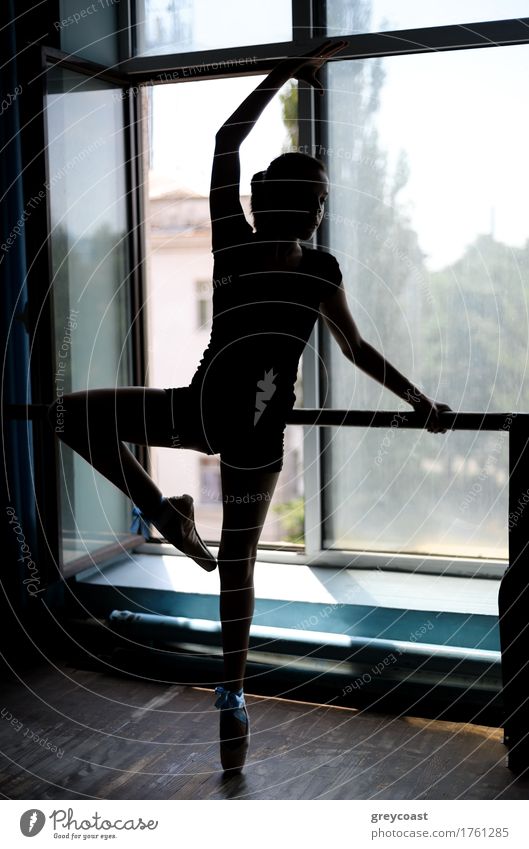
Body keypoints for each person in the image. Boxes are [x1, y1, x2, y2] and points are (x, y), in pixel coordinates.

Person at [47, 40, 450, 774]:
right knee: (225, 551)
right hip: (230, 422)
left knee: (85, 426)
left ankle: (182, 569)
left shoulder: (274, 257)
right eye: (318, 197)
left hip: (222, 421)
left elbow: (355, 350)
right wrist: (421, 402)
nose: (321, 207)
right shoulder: (274, 256)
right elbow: (356, 350)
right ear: (297, 207)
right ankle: (183, 564)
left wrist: (421, 401)